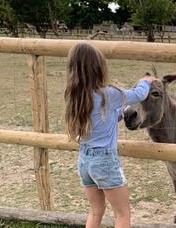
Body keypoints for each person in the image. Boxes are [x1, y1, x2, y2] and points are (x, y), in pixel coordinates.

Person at [64, 42, 155, 228]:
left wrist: (120, 113)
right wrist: (146, 80)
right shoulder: (109, 94)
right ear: (98, 68)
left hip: (84, 160)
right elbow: (139, 94)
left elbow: (102, 118)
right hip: (104, 161)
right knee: (122, 213)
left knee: (95, 210)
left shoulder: (75, 96)